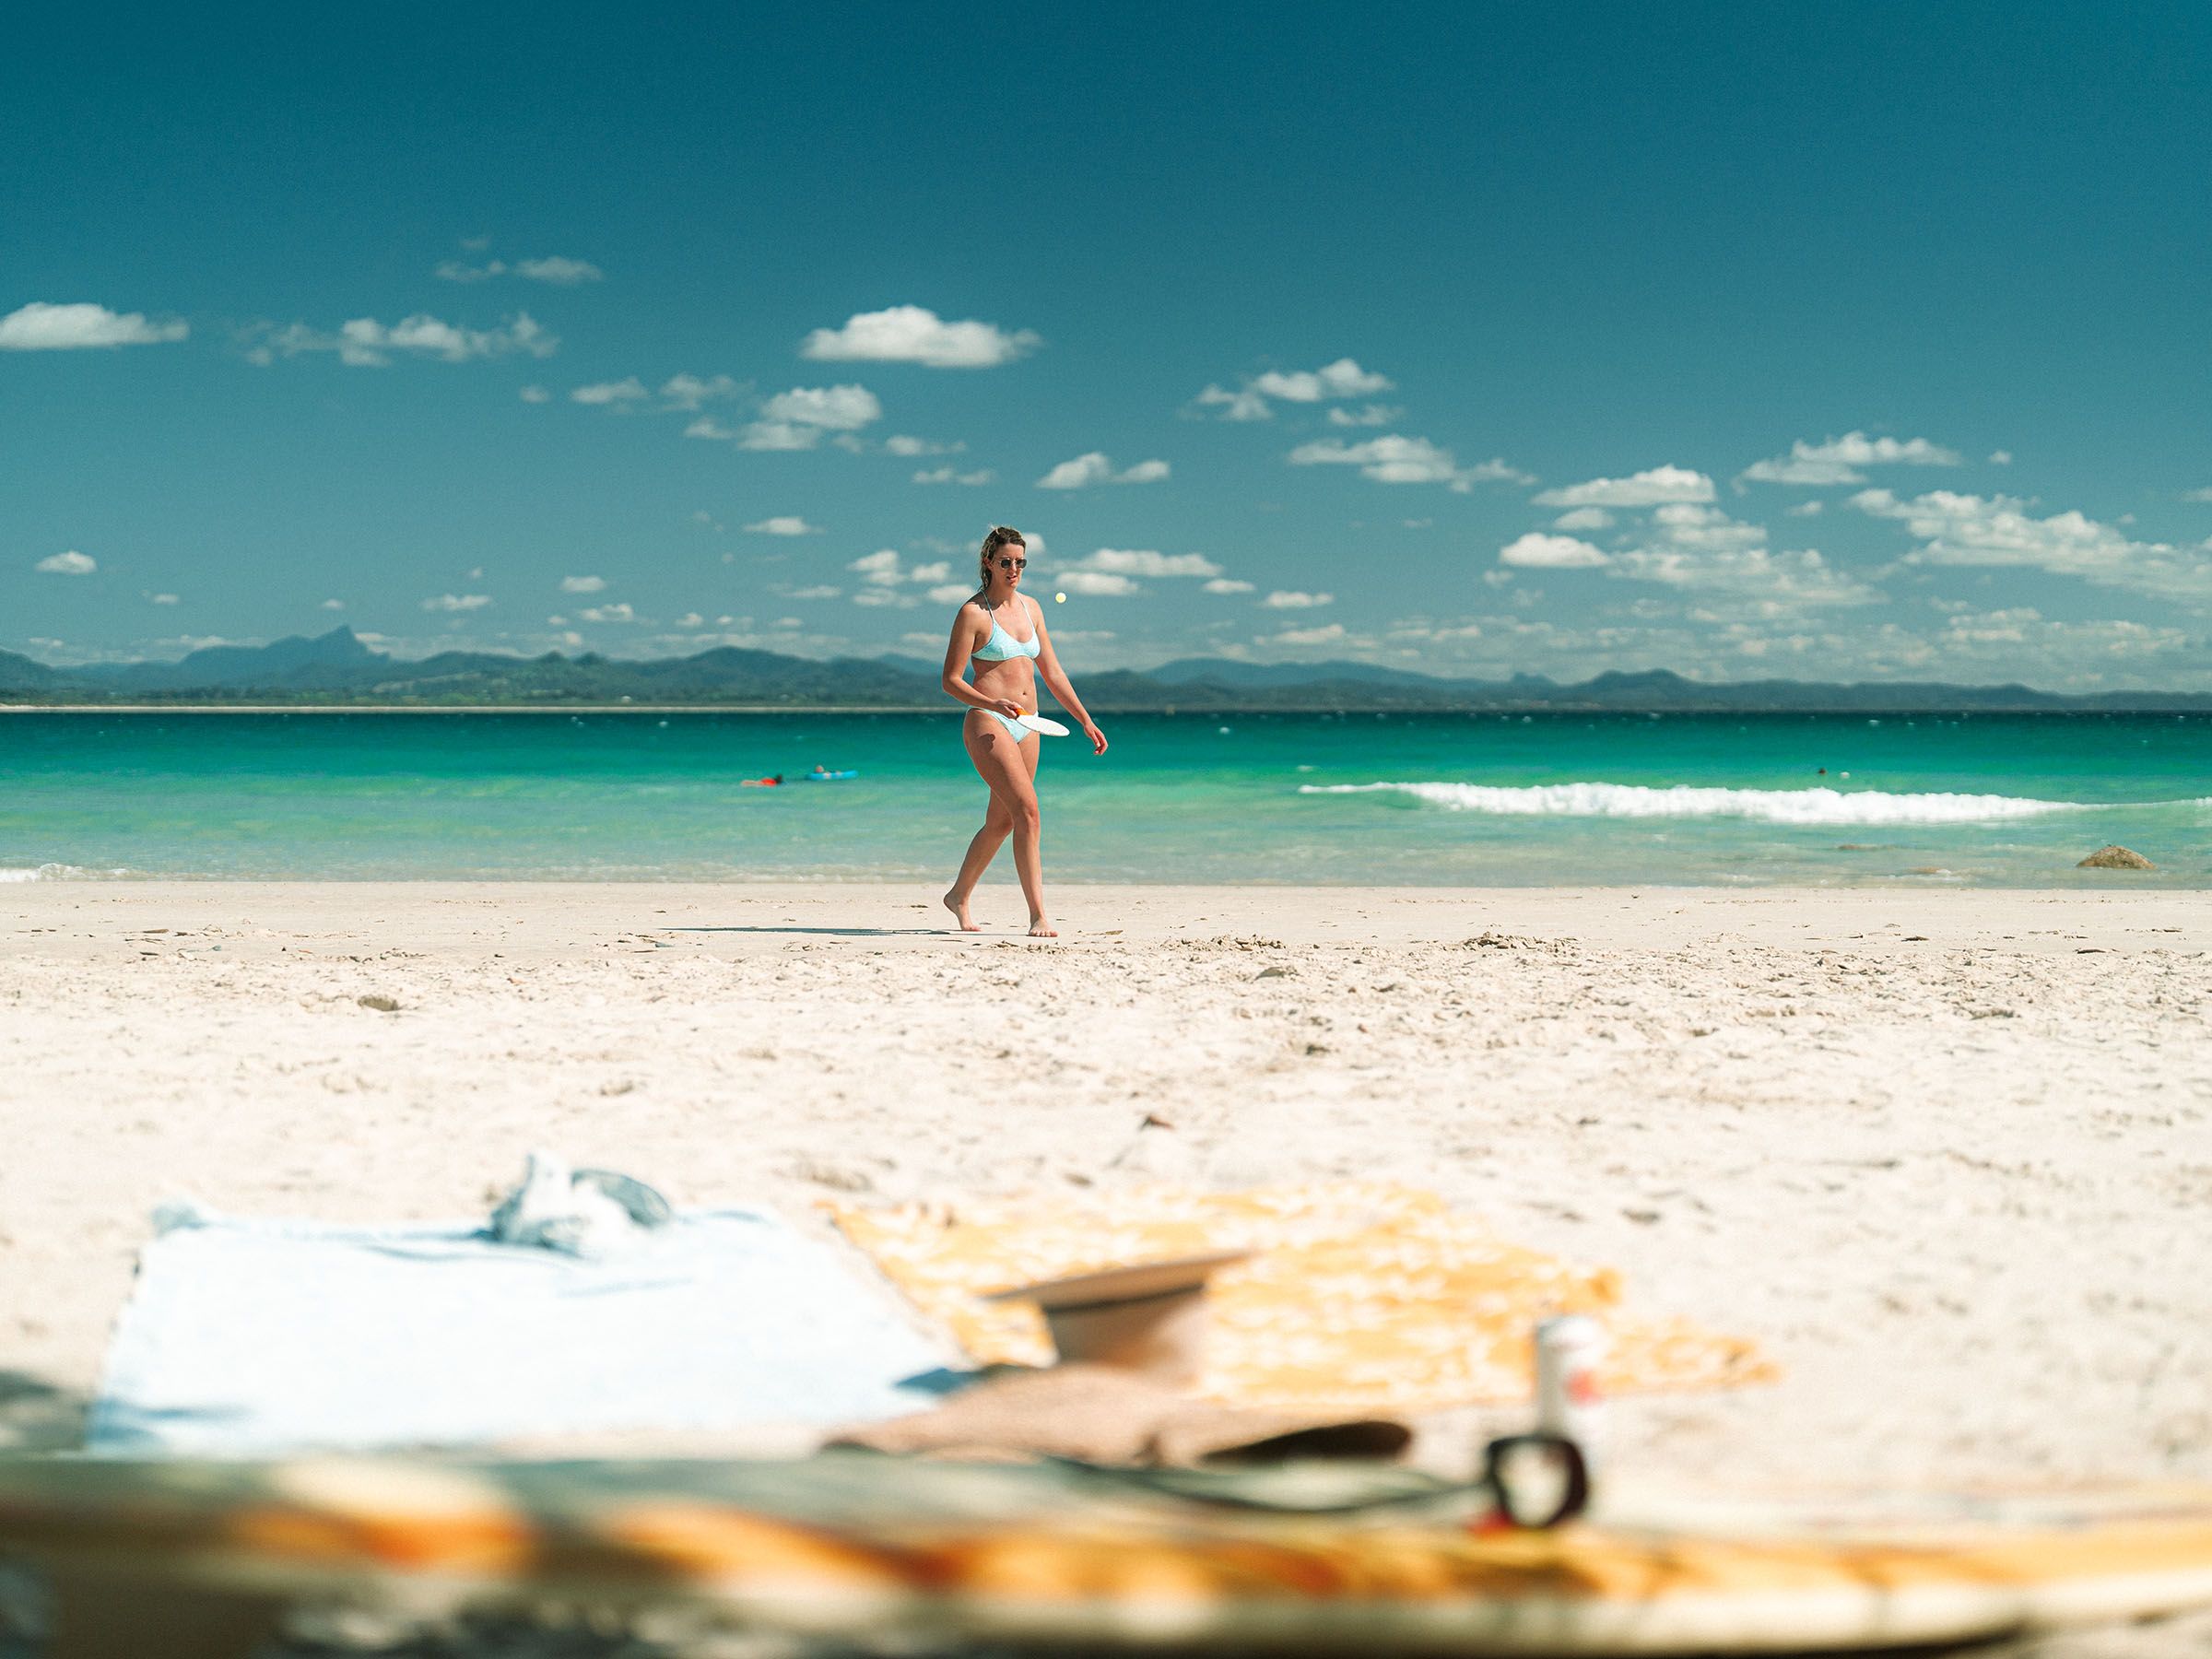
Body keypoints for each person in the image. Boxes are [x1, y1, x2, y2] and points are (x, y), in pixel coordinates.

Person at [939, 525, 1107, 936]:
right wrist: (989, 703)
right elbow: (950, 680)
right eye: (1005, 561)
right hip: (988, 720)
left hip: (1029, 725)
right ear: (988, 563)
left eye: (1020, 562)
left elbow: (1051, 671)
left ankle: (958, 896)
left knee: (1003, 821)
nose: (1014, 569)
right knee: (1028, 812)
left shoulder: (1032, 608)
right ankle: (1038, 915)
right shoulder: (974, 614)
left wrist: (1084, 719)